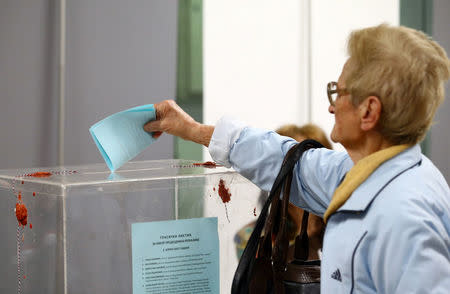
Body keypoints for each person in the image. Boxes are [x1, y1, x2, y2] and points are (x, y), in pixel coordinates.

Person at [144, 24, 450, 293]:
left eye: (337, 93)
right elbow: (287, 162)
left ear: (368, 111)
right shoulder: (363, 173)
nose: (331, 108)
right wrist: (192, 129)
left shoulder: (405, 216)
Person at [234, 123, 331, 261]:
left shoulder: (341, 224)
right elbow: (260, 281)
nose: (305, 174)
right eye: (296, 164)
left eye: (314, 164)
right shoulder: (250, 237)